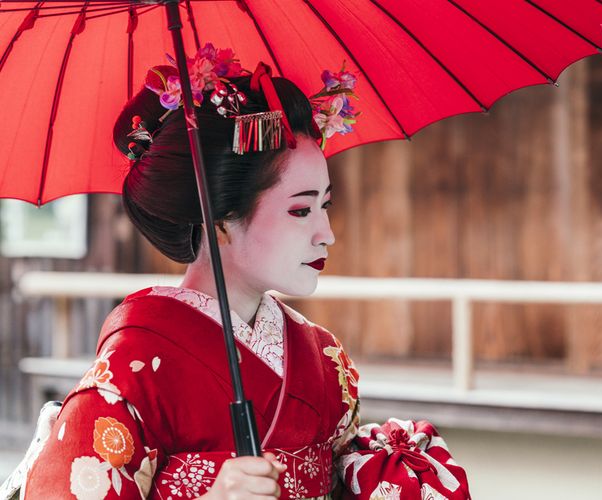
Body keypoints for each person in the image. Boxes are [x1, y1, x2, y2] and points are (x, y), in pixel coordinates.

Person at [19, 46, 470, 500]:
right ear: (220, 219)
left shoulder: (324, 358)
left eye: (324, 205)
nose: (326, 234)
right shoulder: (135, 364)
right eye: (300, 210)